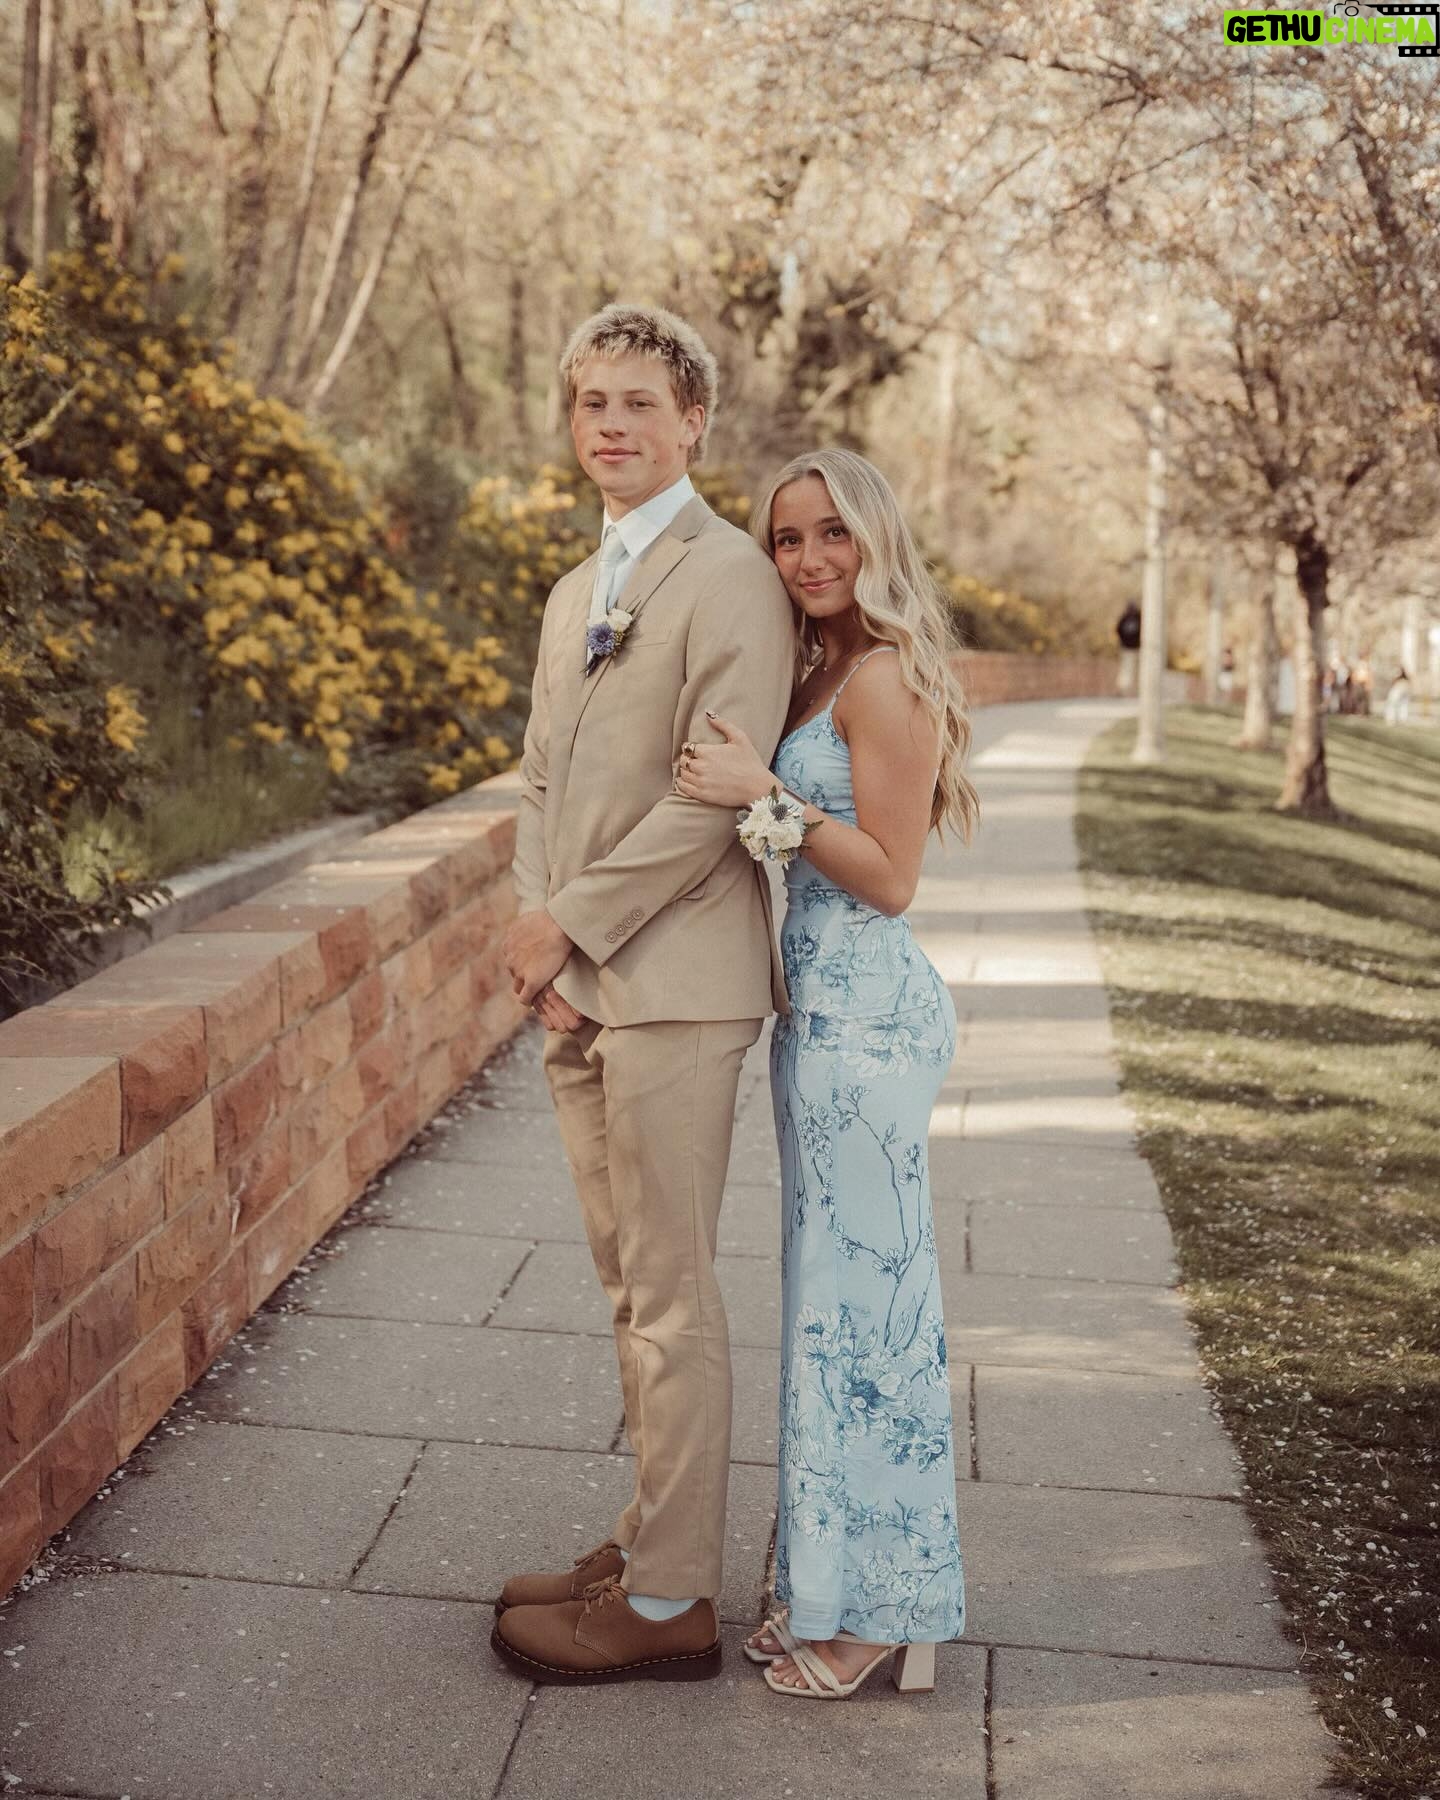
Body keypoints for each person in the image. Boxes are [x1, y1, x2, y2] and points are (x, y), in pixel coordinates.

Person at [493, 304, 794, 1685]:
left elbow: (710, 804)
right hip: (584, 985)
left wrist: (570, 924)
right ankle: (643, 1537)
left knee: (672, 1297)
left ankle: (674, 1602)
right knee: (627, 1288)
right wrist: (540, 940)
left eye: (638, 403)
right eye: (591, 402)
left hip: (678, 985)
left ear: (694, 424)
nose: (610, 424)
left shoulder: (731, 576)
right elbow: (541, 780)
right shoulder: (577, 590)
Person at [675, 448, 976, 1700]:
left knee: (870, 1325)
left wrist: (768, 798)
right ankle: (825, 1587)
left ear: (874, 539)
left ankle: (885, 1617)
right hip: (820, 1023)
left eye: (832, 535)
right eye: (787, 537)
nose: (807, 558)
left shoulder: (886, 676)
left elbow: (893, 879)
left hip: (869, 1031)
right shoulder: (819, 667)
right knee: (826, 1310)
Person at [1115, 599, 1141, 694]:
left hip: (1137, 648)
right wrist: (1123, 641)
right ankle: (1124, 689)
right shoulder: (1125, 618)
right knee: (1126, 669)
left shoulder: (1139, 618)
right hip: (1126, 648)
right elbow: (1118, 630)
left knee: (1137, 669)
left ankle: (1138, 690)